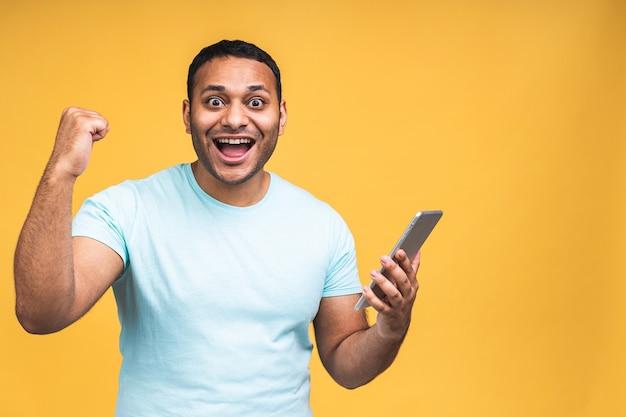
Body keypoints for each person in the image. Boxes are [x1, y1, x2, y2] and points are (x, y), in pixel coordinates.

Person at [14, 39, 421, 416]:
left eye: (256, 102)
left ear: (280, 117)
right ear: (188, 116)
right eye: (214, 101)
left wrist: (391, 325)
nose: (235, 118)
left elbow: (347, 365)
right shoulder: (126, 209)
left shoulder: (323, 225)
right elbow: (41, 314)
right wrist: (61, 173)